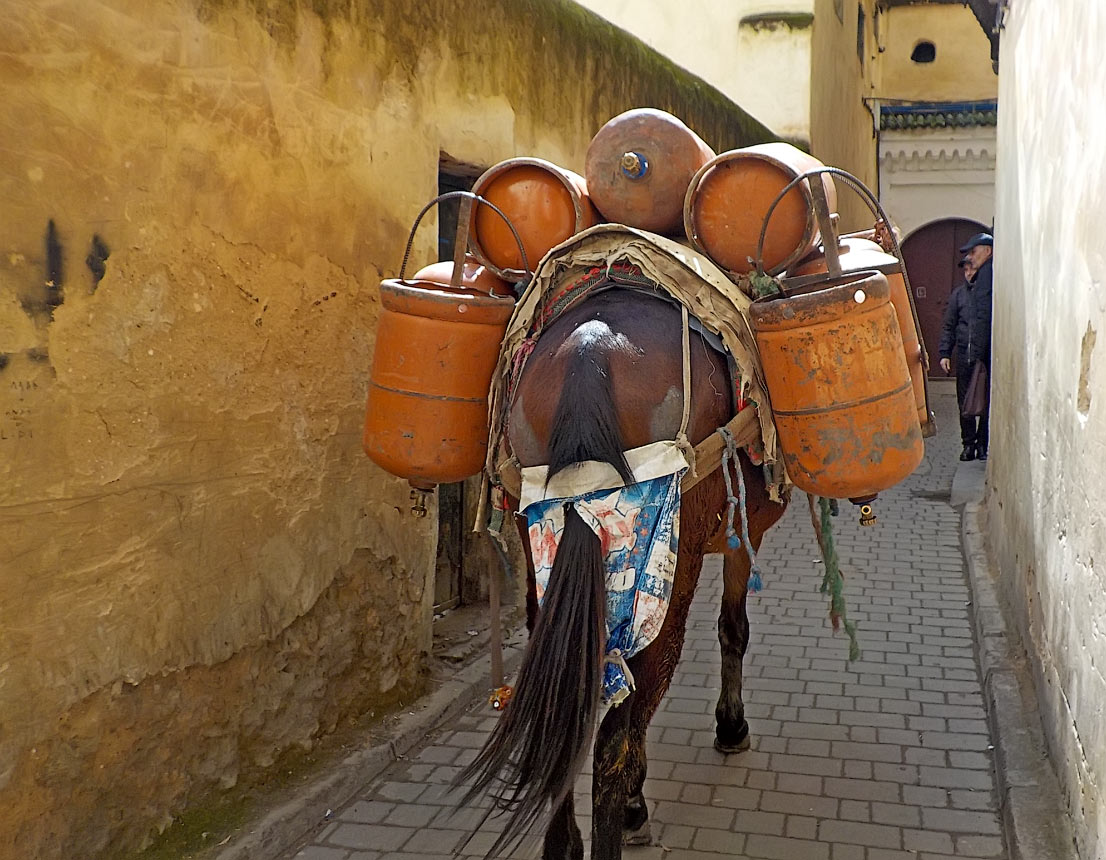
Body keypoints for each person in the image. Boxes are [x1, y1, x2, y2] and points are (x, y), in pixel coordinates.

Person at [939, 232, 993, 461]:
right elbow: (949, 325)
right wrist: (944, 353)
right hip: (964, 355)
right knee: (965, 403)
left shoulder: (988, 289)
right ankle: (968, 444)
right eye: (966, 269)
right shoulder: (959, 296)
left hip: (985, 355)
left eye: (972, 266)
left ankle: (982, 444)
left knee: (986, 402)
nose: (969, 272)